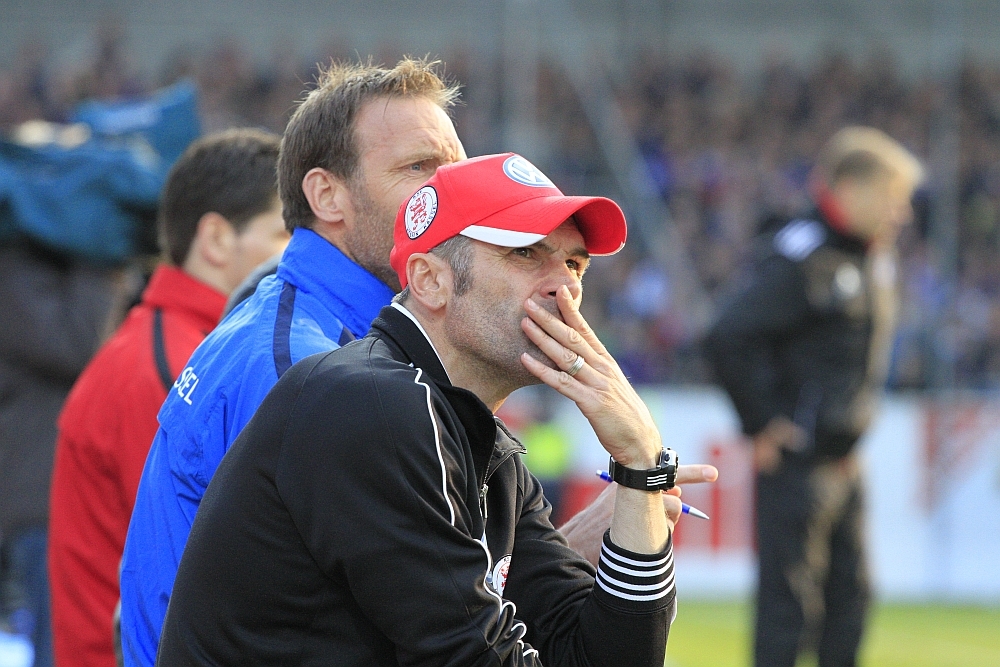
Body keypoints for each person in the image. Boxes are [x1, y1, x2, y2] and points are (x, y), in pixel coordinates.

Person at [120, 58, 717, 667]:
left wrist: (641, 471)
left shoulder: (465, 428)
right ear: (427, 279)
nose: (563, 287)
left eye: (574, 264)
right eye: (523, 254)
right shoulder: (338, 383)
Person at [46, 129, 288, 667]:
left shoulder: (175, 344)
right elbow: (190, 561)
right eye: (284, 233)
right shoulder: (172, 366)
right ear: (216, 239)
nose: (300, 253)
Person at [704, 126, 923, 667]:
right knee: (788, 611)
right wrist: (762, 422)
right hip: (797, 463)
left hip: (846, 463)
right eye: (892, 197)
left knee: (851, 601)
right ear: (849, 189)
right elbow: (727, 336)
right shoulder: (803, 255)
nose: (902, 214)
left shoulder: (874, 256)